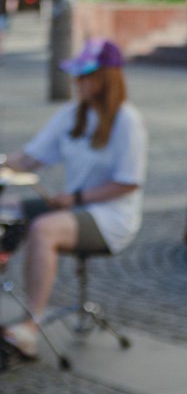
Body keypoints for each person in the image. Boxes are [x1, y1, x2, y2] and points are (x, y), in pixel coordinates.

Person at [0, 38, 148, 361]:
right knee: (5, 209)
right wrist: (3, 162)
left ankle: (30, 326)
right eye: (77, 75)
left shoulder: (127, 120)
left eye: (85, 75)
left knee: (43, 229)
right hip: (74, 205)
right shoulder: (71, 114)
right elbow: (30, 158)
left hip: (110, 216)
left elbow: (128, 184)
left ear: (106, 78)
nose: (78, 82)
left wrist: (76, 196)